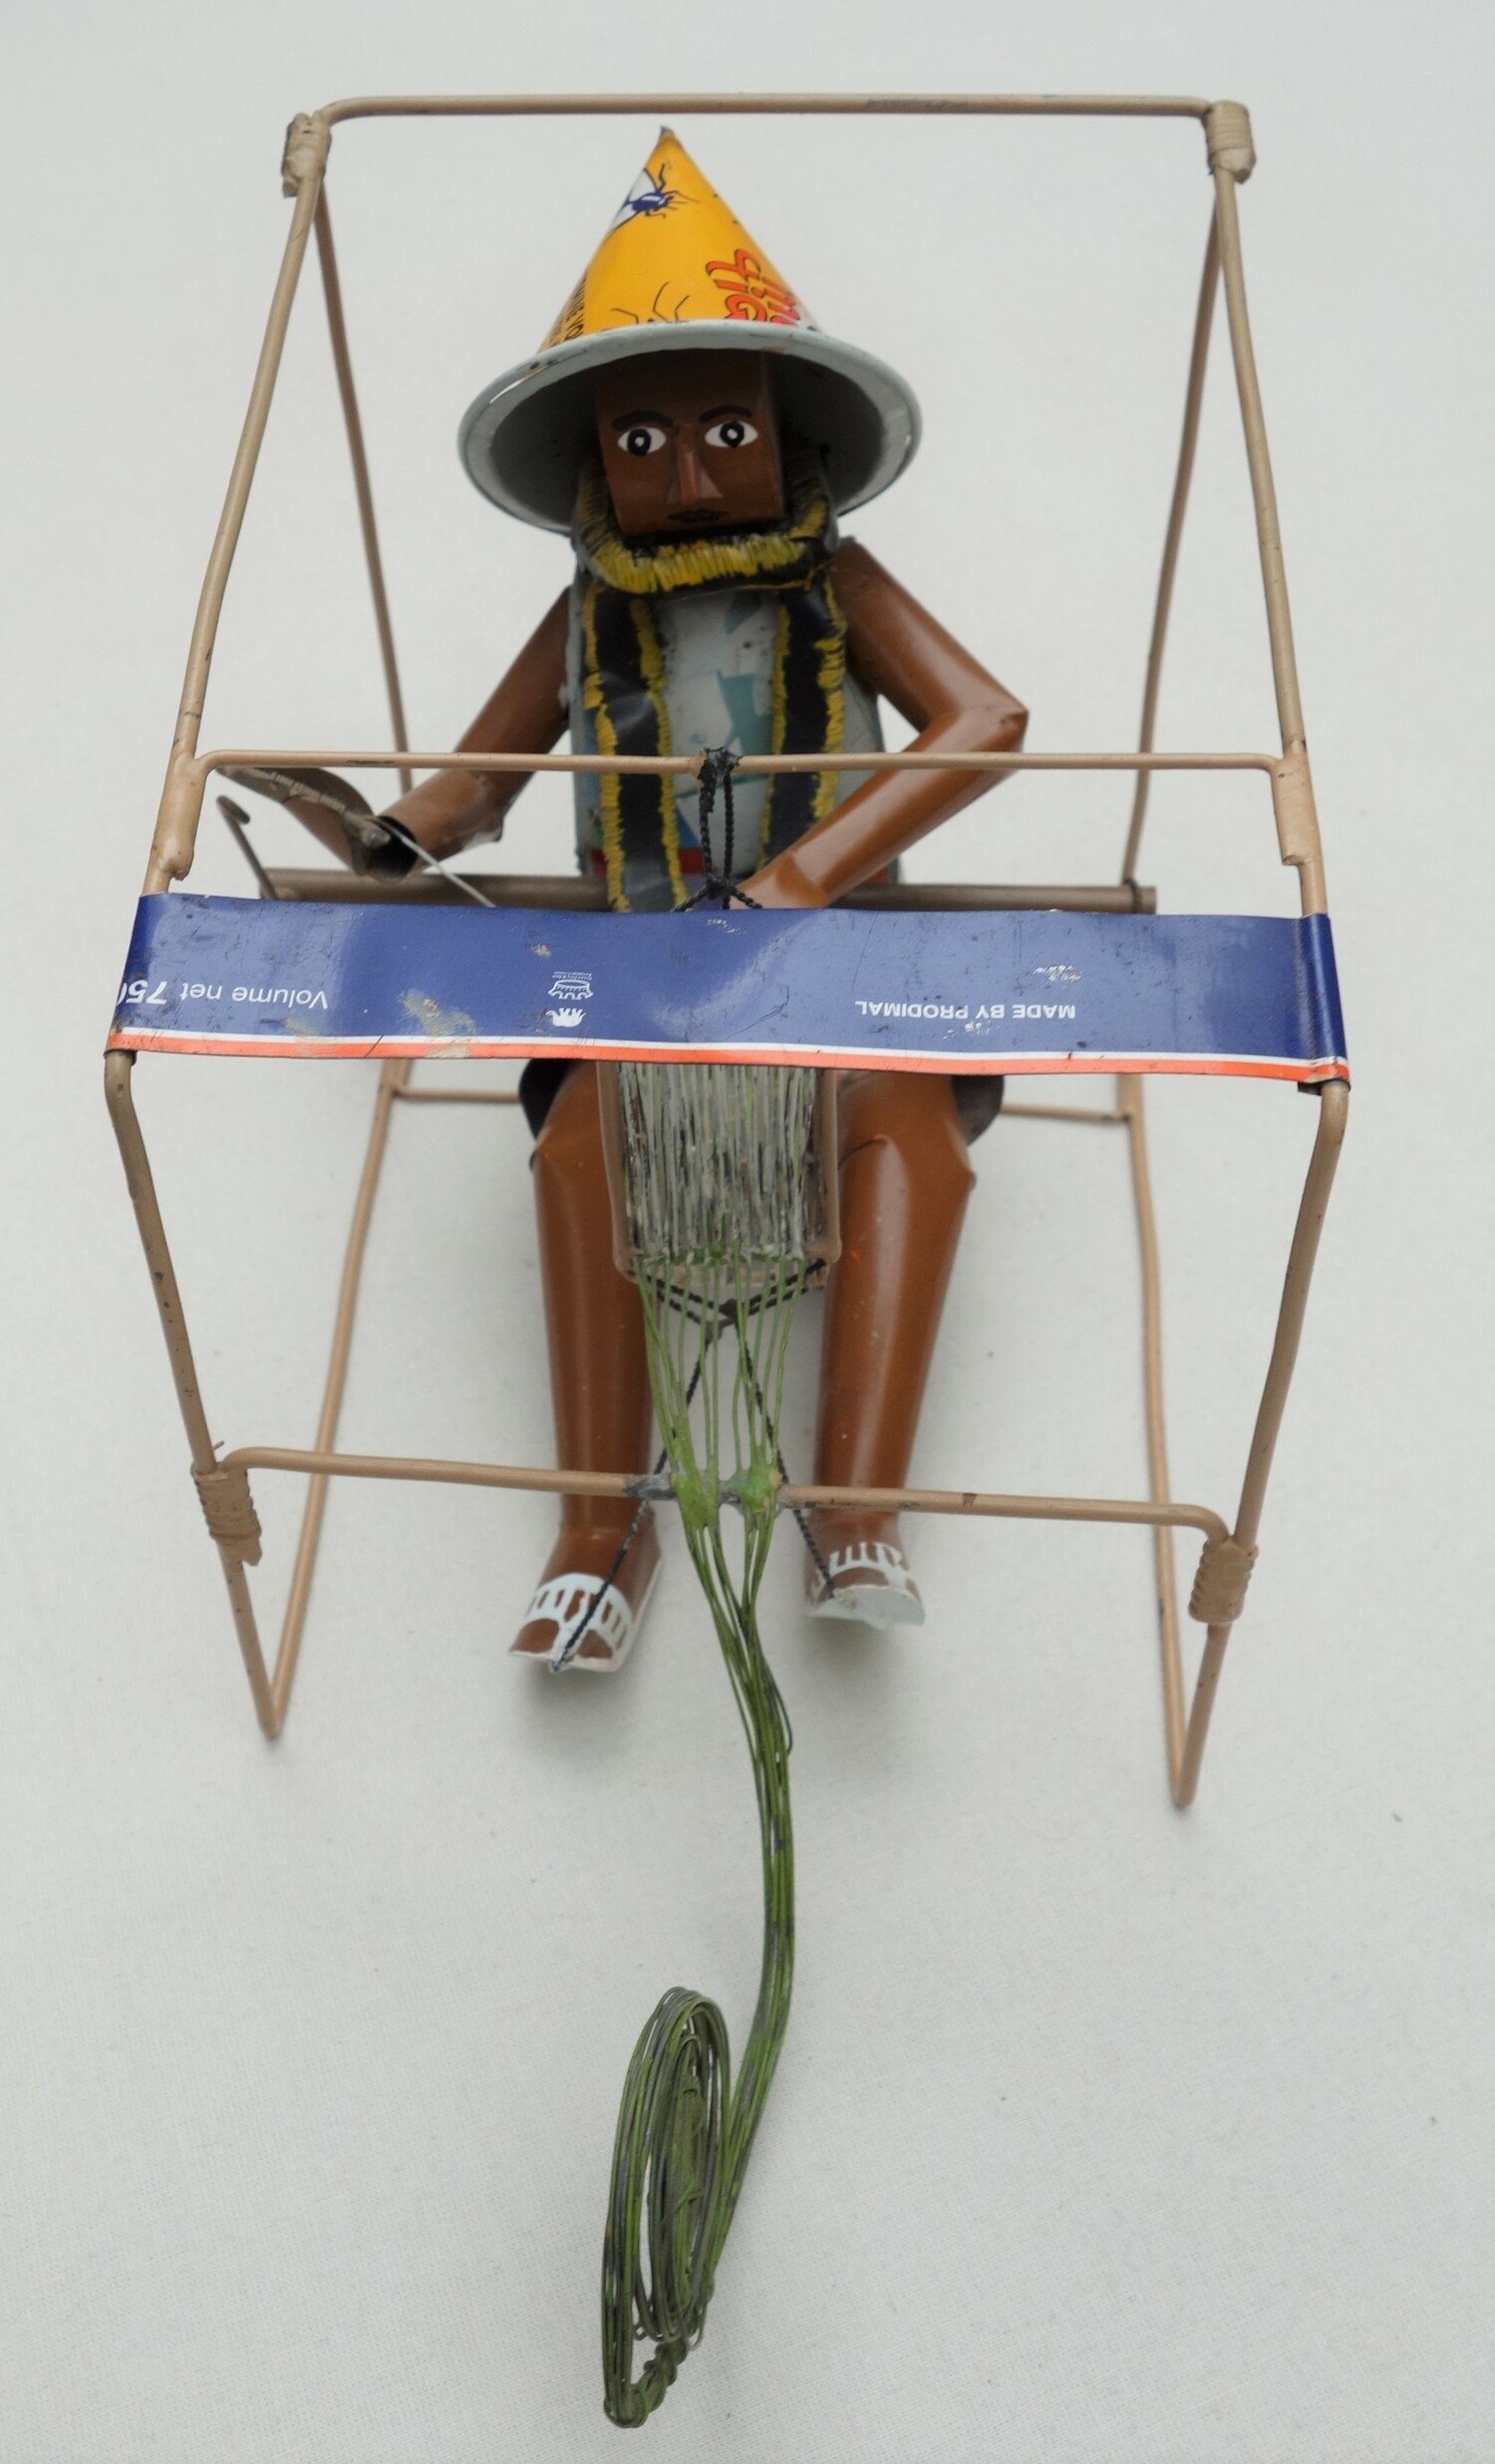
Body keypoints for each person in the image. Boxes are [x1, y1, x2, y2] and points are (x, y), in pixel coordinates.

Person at [294, 133, 1027, 1668]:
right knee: (579, 1140)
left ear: (784, 435)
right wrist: (396, 832)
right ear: (593, 463)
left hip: (833, 955)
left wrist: (804, 878)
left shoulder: (843, 584)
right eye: (642, 445)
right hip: (643, 967)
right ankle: (597, 1527)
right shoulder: (584, 613)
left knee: (902, 1134)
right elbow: (478, 778)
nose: (689, 479)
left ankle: (852, 1504)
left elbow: (985, 722)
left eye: (720, 433)